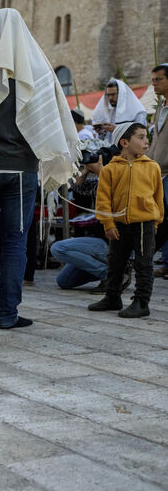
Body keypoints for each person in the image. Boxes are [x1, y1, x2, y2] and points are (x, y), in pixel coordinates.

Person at [0, 8, 78, 330]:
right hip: (20, 171)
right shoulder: (37, 70)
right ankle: (8, 314)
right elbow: (50, 121)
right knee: (15, 240)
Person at [88, 122, 163, 318]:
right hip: (118, 224)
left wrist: (155, 222)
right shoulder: (109, 170)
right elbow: (103, 200)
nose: (146, 141)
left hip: (143, 223)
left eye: (146, 137)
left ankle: (142, 301)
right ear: (124, 142)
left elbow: (158, 198)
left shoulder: (152, 167)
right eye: (140, 137)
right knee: (115, 262)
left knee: (143, 263)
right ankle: (112, 297)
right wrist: (108, 224)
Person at [145, 64, 168, 273]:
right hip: (158, 171)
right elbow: (156, 140)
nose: (153, 83)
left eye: (158, 79)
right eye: (153, 79)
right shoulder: (161, 106)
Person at [91, 79, 147, 144]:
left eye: (113, 94)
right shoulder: (110, 112)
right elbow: (106, 139)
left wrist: (115, 129)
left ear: (122, 94)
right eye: (108, 95)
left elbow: (140, 135)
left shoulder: (138, 112)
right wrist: (101, 132)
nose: (110, 98)